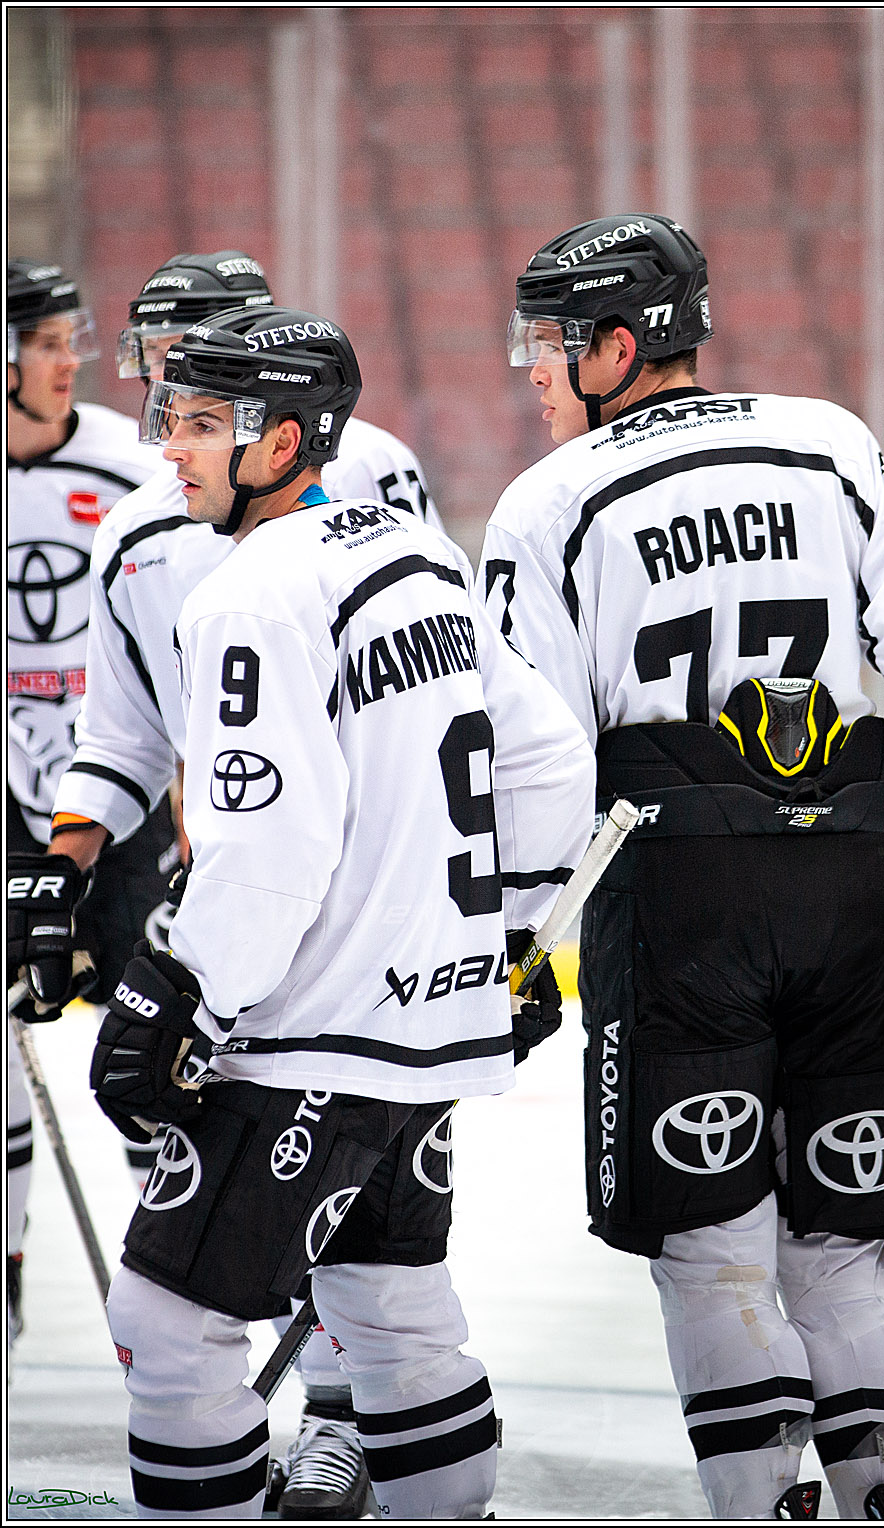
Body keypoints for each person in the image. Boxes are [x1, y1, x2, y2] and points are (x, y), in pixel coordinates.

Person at [476, 214, 884, 1521]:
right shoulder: (828, 441)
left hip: (678, 904)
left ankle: (763, 1502)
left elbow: (539, 759)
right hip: (849, 889)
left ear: (615, 346)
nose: (533, 375)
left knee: (711, 1243)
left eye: (546, 348)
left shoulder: (550, 502)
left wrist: (509, 937)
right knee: (840, 1231)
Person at [87, 305, 595, 1520]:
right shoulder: (417, 554)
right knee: (391, 1305)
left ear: (284, 440)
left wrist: (178, 994)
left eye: (204, 423)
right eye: (172, 415)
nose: (172, 448)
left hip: (307, 1038)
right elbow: (551, 766)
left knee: (166, 1323)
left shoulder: (248, 595)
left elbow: (269, 849)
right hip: (422, 1035)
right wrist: (500, 940)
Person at [44, 248, 454, 1519]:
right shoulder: (137, 522)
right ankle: (232, 1411)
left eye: (186, 378)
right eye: (158, 376)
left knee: (350, 1213)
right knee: (209, 1174)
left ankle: (331, 1418)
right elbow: (122, 735)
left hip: (323, 917)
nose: (160, 405)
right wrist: (56, 870)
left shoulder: (360, 478)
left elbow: (431, 699)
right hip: (215, 890)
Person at [6, 258, 163, 1347]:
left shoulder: (128, 468)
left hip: (126, 802)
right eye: (52, 340)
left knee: (154, 1048)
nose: (73, 359)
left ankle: (176, 1284)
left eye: (74, 338)